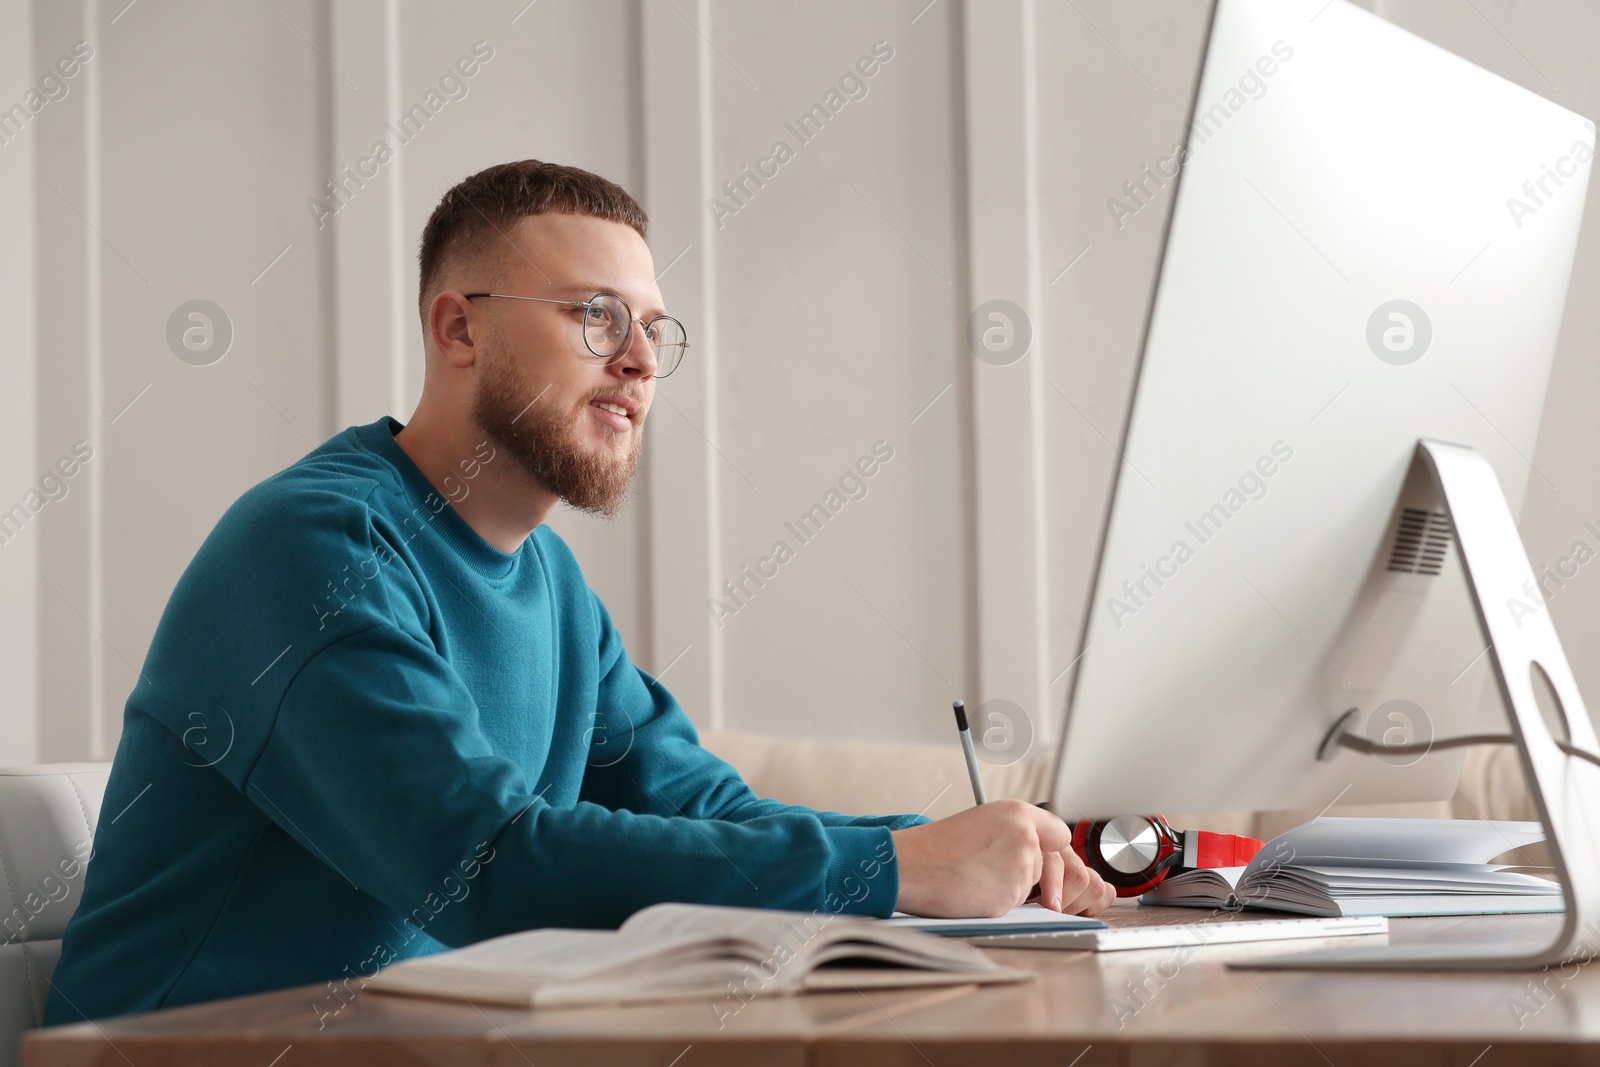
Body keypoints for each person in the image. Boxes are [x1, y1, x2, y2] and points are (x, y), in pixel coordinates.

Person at [45, 159, 1112, 1025]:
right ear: (458, 328)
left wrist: (984, 848)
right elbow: (486, 865)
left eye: (653, 327)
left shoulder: (547, 579)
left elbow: (710, 808)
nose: (641, 361)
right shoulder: (316, 549)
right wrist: (897, 865)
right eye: (597, 317)